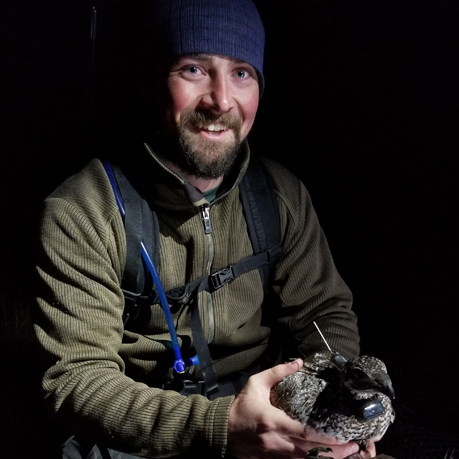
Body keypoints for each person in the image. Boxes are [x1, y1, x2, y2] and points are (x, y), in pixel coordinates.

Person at [32, 0, 378, 458]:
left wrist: (330, 411)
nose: (221, 100)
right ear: (154, 80)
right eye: (194, 69)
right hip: (137, 432)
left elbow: (324, 311)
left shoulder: (280, 195)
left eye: (242, 73)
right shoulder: (82, 210)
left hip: (266, 411)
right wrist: (222, 426)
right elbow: (77, 380)